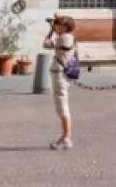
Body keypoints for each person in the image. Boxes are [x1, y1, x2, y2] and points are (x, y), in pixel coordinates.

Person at [44, 16, 77, 151]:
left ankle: (66, 138)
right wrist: (54, 25)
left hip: (60, 75)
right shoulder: (65, 37)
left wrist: (51, 29)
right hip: (59, 75)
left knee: (62, 106)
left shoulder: (65, 38)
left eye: (59, 25)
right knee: (61, 106)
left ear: (65, 27)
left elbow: (45, 43)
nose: (56, 26)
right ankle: (65, 137)